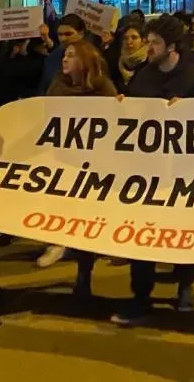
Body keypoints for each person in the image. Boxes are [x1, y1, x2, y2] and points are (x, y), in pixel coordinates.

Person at [111, 16, 194, 326]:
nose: (148, 47)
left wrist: (190, 113)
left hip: (184, 171)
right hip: (146, 171)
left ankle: (185, 285)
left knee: (180, 231)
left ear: (171, 47)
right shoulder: (143, 77)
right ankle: (140, 295)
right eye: (148, 41)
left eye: (154, 43)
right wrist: (121, 105)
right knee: (142, 232)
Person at [35, 40, 118, 280]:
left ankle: (85, 273)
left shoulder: (104, 90)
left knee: (88, 220)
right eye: (64, 55)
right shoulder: (57, 87)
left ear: (85, 61)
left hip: (96, 166)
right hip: (65, 162)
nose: (64, 59)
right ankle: (63, 249)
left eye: (71, 55)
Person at [38, 15, 87, 94]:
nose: (63, 39)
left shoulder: (92, 58)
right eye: (60, 34)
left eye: (68, 34)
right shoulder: (52, 58)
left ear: (81, 33)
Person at [111, 22, 148, 92]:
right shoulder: (120, 62)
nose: (128, 42)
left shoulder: (149, 63)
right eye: (125, 38)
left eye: (134, 37)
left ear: (143, 40)